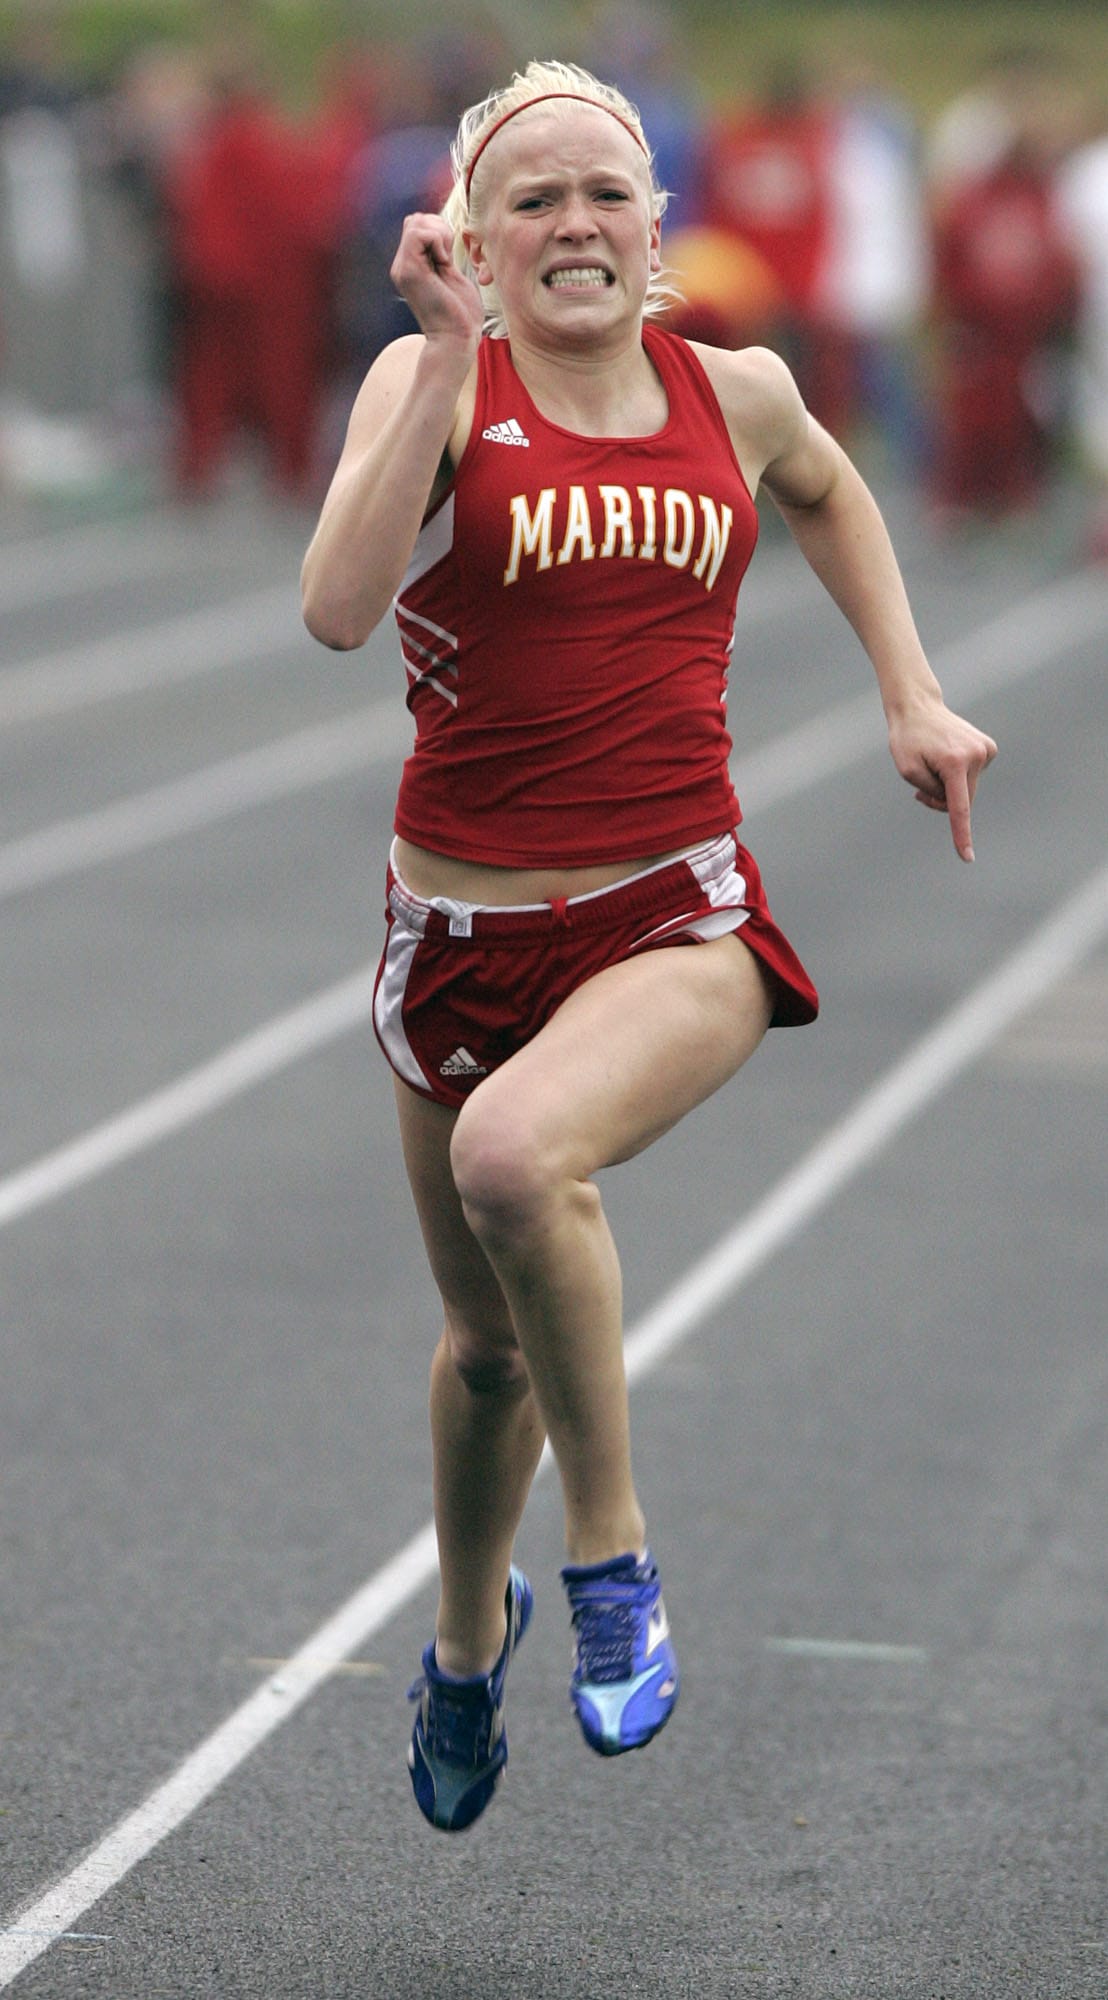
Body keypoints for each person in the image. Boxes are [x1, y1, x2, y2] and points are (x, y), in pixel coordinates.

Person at [300, 59, 996, 1833]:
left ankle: (611, 1558)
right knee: (484, 1352)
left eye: (604, 190)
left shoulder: (735, 389)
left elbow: (830, 489)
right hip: (457, 934)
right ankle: (468, 1644)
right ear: (471, 236)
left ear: (656, 219)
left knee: (517, 1160)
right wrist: (443, 359)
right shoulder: (433, 380)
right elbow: (336, 609)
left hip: (672, 910)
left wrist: (912, 693)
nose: (574, 224)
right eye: (530, 198)